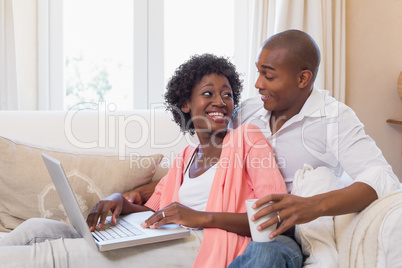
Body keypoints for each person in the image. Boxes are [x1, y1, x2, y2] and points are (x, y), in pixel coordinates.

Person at [125, 30, 402, 267]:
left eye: (268, 76)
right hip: (250, 227)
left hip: (294, 230)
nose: (258, 84)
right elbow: (209, 160)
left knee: (266, 250)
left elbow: (380, 177)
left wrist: (312, 206)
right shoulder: (248, 112)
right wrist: (143, 192)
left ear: (303, 79)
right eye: (258, 72)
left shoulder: (334, 119)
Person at [0, 54, 299, 267]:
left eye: (227, 95)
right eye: (208, 93)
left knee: (51, 258)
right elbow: (153, 212)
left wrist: (202, 218)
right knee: (35, 229)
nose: (221, 102)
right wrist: (120, 200)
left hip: (210, 247)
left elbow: (277, 219)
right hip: (167, 238)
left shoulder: (248, 139)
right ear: (186, 104)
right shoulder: (185, 158)